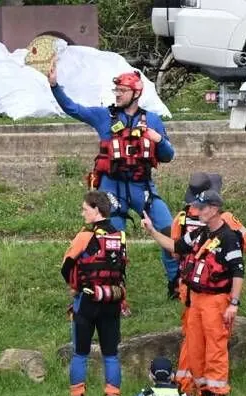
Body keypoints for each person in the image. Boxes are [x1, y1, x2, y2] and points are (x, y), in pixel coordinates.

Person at [48, 65, 180, 297]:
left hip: (142, 187)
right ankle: (116, 292)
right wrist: (54, 86)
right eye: (115, 90)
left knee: (168, 229)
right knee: (112, 241)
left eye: (122, 90)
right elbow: (73, 108)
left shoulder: (153, 121)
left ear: (136, 93)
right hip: (111, 188)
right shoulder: (103, 117)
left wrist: (158, 140)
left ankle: (176, 284)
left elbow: (168, 156)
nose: (117, 94)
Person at [141, 189, 245, 396]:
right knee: (195, 352)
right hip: (195, 301)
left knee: (215, 350)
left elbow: (238, 272)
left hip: (216, 302)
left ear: (215, 209)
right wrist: (151, 231)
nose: (198, 211)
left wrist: (233, 304)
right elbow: (175, 247)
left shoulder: (229, 238)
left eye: (203, 207)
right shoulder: (200, 234)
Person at [170, 172, 246, 395]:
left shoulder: (180, 218)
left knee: (192, 340)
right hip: (208, 291)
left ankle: (187, 388)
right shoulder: (226, 220)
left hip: (188, 287)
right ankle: (206, 393)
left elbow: (174, 252)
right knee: (211, 343)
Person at [61, 191, 127, 396]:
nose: (83, 213)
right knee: (111, 353)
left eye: (85, 209)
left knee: (80, 352)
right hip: (112, 300)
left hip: (87, 300)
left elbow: (66, 266)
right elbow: (121, 269)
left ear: (97, 210)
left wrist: (76, 286)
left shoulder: (84, 236)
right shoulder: (120, 236)